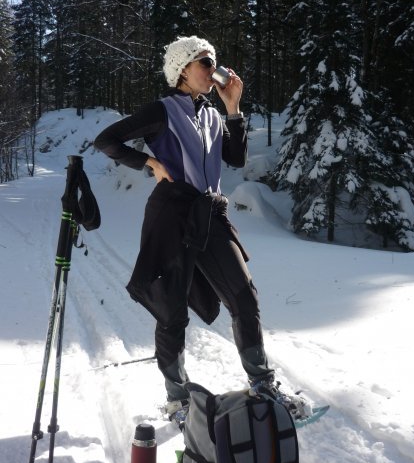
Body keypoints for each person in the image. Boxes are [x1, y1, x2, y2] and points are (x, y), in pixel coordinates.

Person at [94, 35, 312, 428]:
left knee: (244, 296)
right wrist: (149, 163)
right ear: (182, 69)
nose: (213, 70)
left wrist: (233, 109)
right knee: (172, 310)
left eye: (214, 62)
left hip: (210, 213)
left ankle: (262, 384)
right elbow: (106, 140)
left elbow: (235, 158)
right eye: (205, 63)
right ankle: (177, 400)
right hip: (171, 214)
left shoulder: (211, 114)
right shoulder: (162, 110)